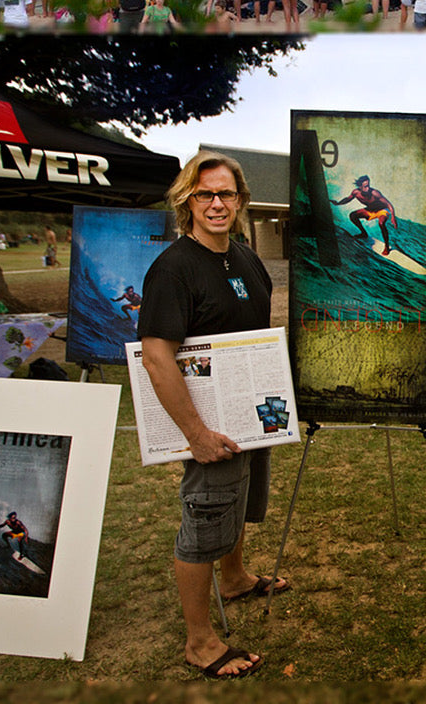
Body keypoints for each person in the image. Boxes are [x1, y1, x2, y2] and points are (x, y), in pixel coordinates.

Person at [137, 153, 286, 681]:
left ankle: (236, 577)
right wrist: (195, 434)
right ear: (188, 201)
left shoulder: (245, 258)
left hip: (250, 416)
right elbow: (157, 356)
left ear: (241, 201)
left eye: (226, 194)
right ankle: (199, 641)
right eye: (206, 195)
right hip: (209, 425)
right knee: (205, 516)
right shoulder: (174, 268)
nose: (217, 204)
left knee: (241, 501)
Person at [334, 175, 398, 253]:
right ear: (360, 186)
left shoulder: (375, 193)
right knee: (353, 215)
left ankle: (387, 247)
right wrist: (338, 203)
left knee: (381, 223)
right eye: (365, 186)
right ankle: (364, 233)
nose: (367, 189)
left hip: (382, 210)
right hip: (370, 210)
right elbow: (347, 199)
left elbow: (389, 204)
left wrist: (393, 218)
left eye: (368, 186)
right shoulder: (356, 193)